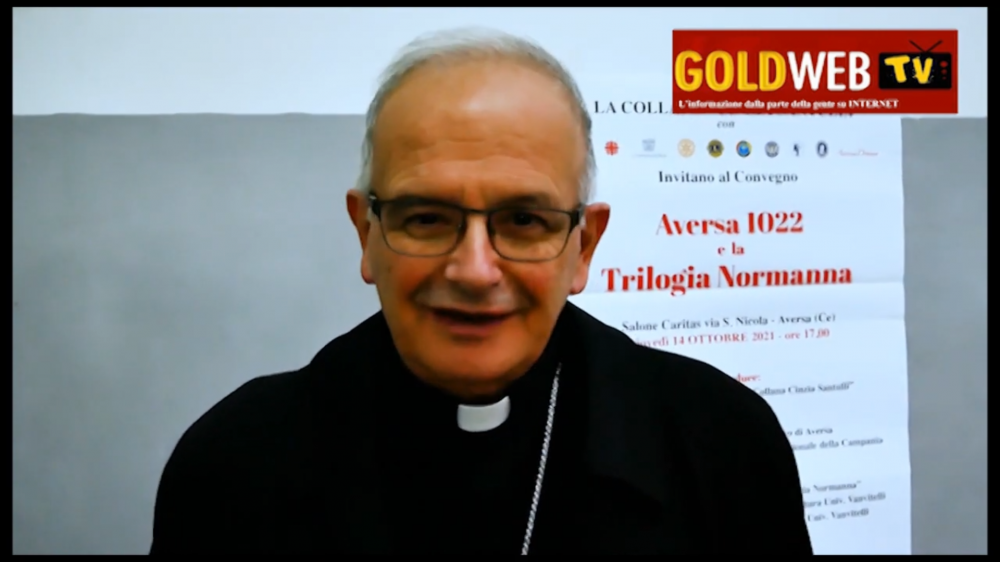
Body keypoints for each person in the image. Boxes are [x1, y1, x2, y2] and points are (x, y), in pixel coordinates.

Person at [150, 27, 813, 555]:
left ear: (583, 247)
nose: (473, 270)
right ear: (366, 234)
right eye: (426, 218)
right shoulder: (235, 460)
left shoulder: (723, 443)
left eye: (524, 220)